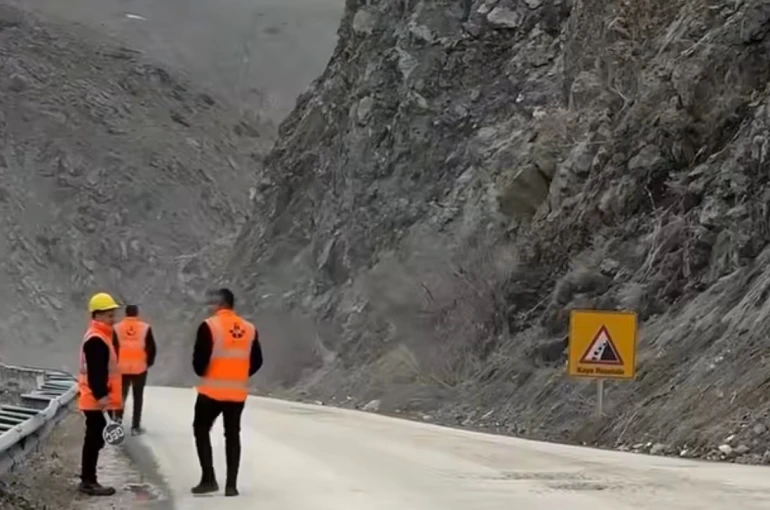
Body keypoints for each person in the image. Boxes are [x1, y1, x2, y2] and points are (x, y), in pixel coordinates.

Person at [191, 288, 263, 497]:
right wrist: (240, 373)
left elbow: (199, 363)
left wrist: (209, 372)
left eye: (213, 303)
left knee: (201, 428)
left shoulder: (209, 326)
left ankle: (209, 478)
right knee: (232, 435)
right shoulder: (249, 328)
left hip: (211, 391)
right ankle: (231, 485)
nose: (210, 307)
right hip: (237, 392)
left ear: (220, 304)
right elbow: (257, 360)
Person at [77, 292, 124, 496]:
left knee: (95, 439)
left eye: (113, 314)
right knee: (94, 440)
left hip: (94, 398)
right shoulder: (97, 340)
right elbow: (97, 372)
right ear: (96, 315)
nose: (113, 319)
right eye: (108, 315)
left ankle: (89, 479)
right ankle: (88, 481)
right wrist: (102, 396)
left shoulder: (101, 336)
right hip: (96, 399)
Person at [114, 304, 157, 435]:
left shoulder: (117, 328)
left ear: (126, 314)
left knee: (120, 396)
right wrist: (147, 363)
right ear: (137, 313)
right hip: (140, 368)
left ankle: (117, 422)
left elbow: (113, 347)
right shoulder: (145, 328)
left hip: (121, 368)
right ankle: (135, 426)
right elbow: (152, 348)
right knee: (138, 397)